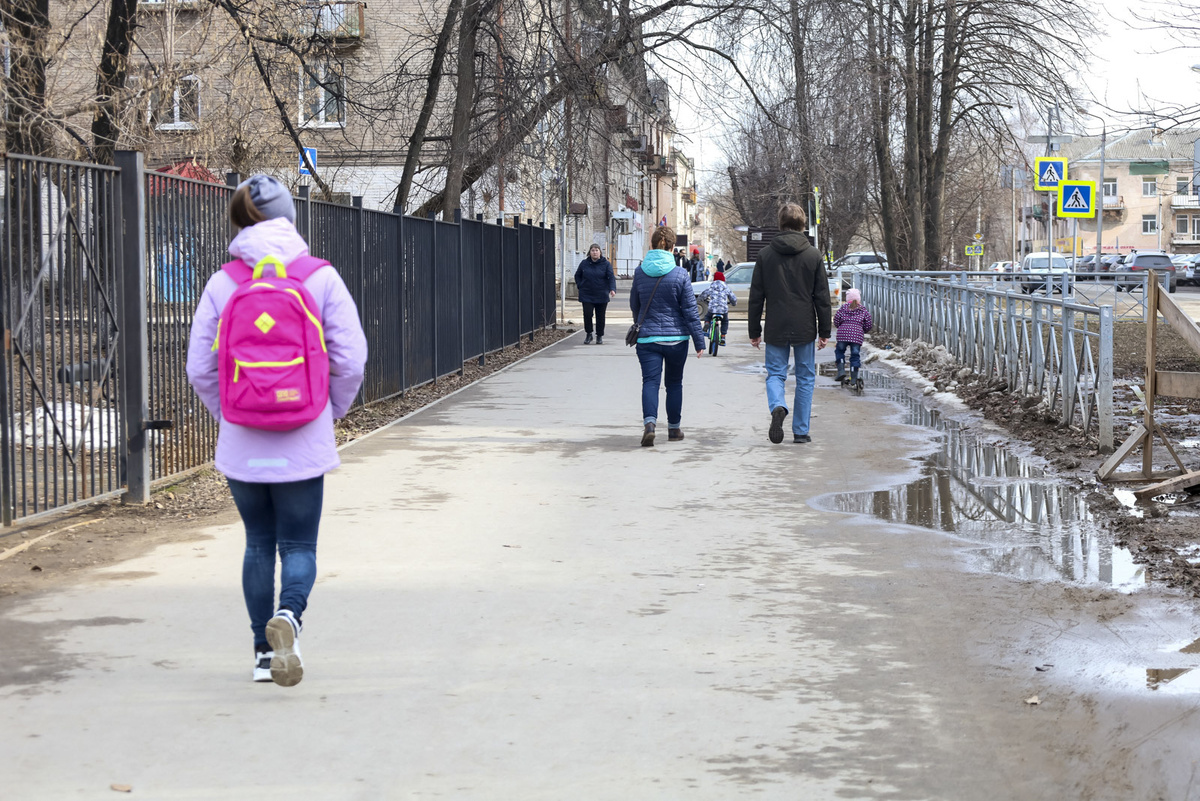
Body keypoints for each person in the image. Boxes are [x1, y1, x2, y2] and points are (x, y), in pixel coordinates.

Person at [186, 174, 368, 686]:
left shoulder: (224, 283)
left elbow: (199, 367)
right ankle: (288, 617)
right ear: (290, 217)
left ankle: (263, 655)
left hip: (243, 444)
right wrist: (327, 411)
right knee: (300, 547)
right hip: (303, 436)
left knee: (258, 544)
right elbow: (351, 359)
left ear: (239, 222)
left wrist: (230, 416)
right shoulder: (320, 277)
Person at [748, 203, 831, 445]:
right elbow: (822, 297)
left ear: (780, 224)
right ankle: (801, 431)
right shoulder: (813, 255)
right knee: (805, 377)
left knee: (775, 373)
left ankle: (778, 405)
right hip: (805, 324)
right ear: (802, 225)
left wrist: (754, 331)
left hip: (775, 324)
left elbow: (756, 297)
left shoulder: (765, 255)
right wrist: (824, 331)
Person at [630, 225, 705, 447]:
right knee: (674, 383)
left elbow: (635, 304)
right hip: (676, 340)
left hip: (647, 338)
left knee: (650, 382)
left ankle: (650, 425)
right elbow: (690, 311)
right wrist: (699, 341)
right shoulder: (681, 274)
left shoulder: (640, 272)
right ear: (673, 248)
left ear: (651, 246)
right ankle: (673, 429)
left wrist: (641, 322)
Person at [574, 244, 617, 344]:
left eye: (597, 250)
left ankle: (599, 335)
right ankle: (589, 334)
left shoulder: (606, 264)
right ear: (590, 252)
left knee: (600, 316)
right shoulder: (584, 263)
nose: (595, 252)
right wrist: (580, 285)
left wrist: (612, 289)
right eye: (593, 250)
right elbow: (577, 275)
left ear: (600, 252)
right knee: (587, 314)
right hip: (587, 293)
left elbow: (611, 277)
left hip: (601, 293)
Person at [833, 288, 873, 385]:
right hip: (856, 336)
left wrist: (840, 327)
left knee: (840, 351)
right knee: (855, 356)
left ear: (847, 298)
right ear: (859, 299)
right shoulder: (863, 310)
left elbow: (836, 320)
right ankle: (854, 377)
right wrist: (862, 330)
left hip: (843, 334)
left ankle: (841, 371)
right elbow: (868, 324)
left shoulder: (843, 308)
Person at [699, 270, 737, 345]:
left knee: (708, 316)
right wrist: (733, 303)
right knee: (725, 321)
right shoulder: (726, 287)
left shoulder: (712, 286)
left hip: (713, 308)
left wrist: (700, 299)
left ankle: (707, 324)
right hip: (723, 309)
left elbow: (703, 295)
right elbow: (733, 298)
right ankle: (723, 337)